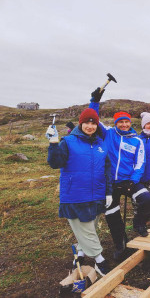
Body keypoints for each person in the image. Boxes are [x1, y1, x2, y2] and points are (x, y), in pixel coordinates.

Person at [89, 88, 150, 261]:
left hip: (128, 181)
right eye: (120, 122)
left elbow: (140, 163)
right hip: (110, 183)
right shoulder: (108, 133)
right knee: (112, 215)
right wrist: (94, 101)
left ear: (130, 123)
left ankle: (139, 223)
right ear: (116, 123)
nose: (124, 124)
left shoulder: (136, 140)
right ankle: (120, 243)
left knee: (147, 199)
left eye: (126, 121)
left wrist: (133, 181)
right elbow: (93, 119)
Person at [47, 108, 111, 276]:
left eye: (93, 123)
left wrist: (108, 192)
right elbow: (55, 163)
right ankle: (99, 260)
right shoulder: (68, 142)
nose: (90, 126)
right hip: (75, 195)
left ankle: (80, 252)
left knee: (91, 227)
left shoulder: (100, 144)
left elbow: (107, 169)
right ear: (80, 123)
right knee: (86, 229)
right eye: (87, 122)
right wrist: (53, 144)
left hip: (97, 194)